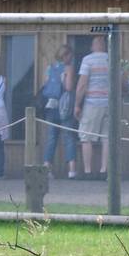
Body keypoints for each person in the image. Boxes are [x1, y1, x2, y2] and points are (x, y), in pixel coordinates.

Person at [73, 34, 112, 178]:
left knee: (86, 137)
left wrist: (77, 104)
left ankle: (88, 171)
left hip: (92, 103)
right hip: (109, 104)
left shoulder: (87, 60)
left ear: (94, 46)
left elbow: (82, 84)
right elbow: (122, 82)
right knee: (106, 138)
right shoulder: (112, 58)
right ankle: (104, 171)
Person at [40, 44, 78, 178]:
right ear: (66, 56)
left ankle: (47, 168)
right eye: (70, 56)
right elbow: (68, 87)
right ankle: (72, 170)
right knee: (69, 136)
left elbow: (45, 85)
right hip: (64, 107)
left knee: (51, 137)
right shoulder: (68, 68)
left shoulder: (50, 68)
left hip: (51, 105)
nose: (72, 58)